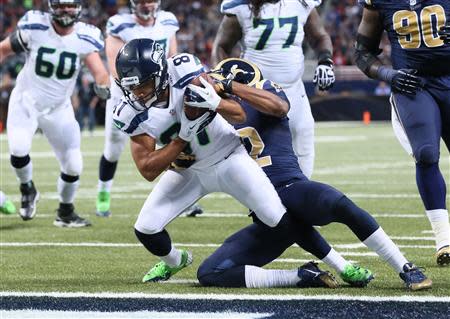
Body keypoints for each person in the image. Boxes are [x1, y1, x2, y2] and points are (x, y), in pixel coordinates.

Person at [113, 38, 363, 287]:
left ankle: (342, 264)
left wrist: (216, 103)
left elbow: (239, 113)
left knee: (279, 219)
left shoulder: (187, 72)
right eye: (131, 87)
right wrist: (182, 139)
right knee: (146, 228)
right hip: (190, 170)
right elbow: (147, 169)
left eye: (143, 85)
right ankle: (175, 260)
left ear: (160, 74)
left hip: (228, 156)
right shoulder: (129, 110)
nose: (137, 93)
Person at [189, 58, 432, 291]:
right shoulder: (212, 114)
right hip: (265, 214)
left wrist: (232, 87)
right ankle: (301, 276)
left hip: (288, 188)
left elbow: (279, 107)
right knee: (210, 272)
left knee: (339, 205)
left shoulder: (264, 91)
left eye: (223, 84)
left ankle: (404, 266)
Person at [354, 0, 450, 266]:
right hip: (413, 84)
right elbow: (362, 53)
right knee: (426, 153)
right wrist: (388, 74)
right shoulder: (379, 2)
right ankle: (444, 239)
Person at [0, 0, 110, 227]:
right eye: (61, 5)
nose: (66, 10)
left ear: (78, 8)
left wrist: (103, 84)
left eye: (70, 6)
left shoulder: (84, 37)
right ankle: (27, 189)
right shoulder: (36, 28)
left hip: (60, 108)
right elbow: (3, 49)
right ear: (52, 7)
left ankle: (65, 212)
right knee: (19, 149)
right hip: (26, 101)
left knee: (73, 164)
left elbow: (100, 72)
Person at [212, 0, 336, 179]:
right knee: (253, 150)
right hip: (256, 92)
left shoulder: (302, 3)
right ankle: (260, 201)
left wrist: (325, 61)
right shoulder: (240, 6)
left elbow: (319, 36)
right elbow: (221, 46)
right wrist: (224, 79)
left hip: (293, 88)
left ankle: (299, 194)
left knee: (303, 143)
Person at [96, 0, 182, 217]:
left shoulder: (167, 21)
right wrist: (135, 93)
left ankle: (182, 196)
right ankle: (103, 193)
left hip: (161, 94)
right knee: (113, 148)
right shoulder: (119, 24)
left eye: (151, 0)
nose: (147, 4)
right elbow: (115, 67)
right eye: (142, 0)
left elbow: (171, 58)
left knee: (172, 143)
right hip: (127, 97)